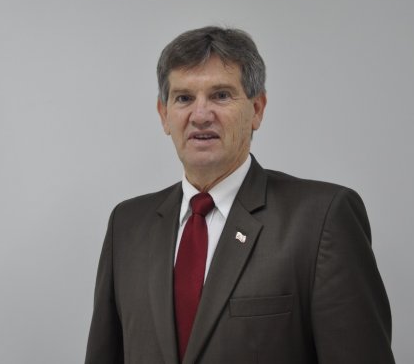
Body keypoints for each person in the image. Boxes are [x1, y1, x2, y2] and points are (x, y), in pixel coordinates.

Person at [84, 26, 395, 364]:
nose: (201, 115)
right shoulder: (127, 226)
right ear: (164, 115)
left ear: (257, 109)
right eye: (184, 98)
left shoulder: (321, 220)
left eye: (220, 95)